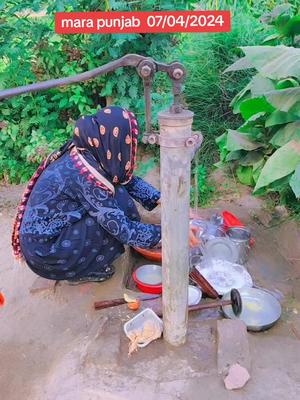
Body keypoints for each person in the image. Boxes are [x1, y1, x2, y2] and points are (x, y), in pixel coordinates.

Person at [12, 106, 199, 284]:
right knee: (108, 225)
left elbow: (125, 178)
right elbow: (123, 230)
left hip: (50, 233)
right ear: (113, 142)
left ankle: (87, 256)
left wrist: (164, 200)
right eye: (127, 144)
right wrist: (173, 233)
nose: (130, 150)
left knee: (117, 193)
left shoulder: (89, 150)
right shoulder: (84, 176)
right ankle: (80, 270)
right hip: (47, 253)